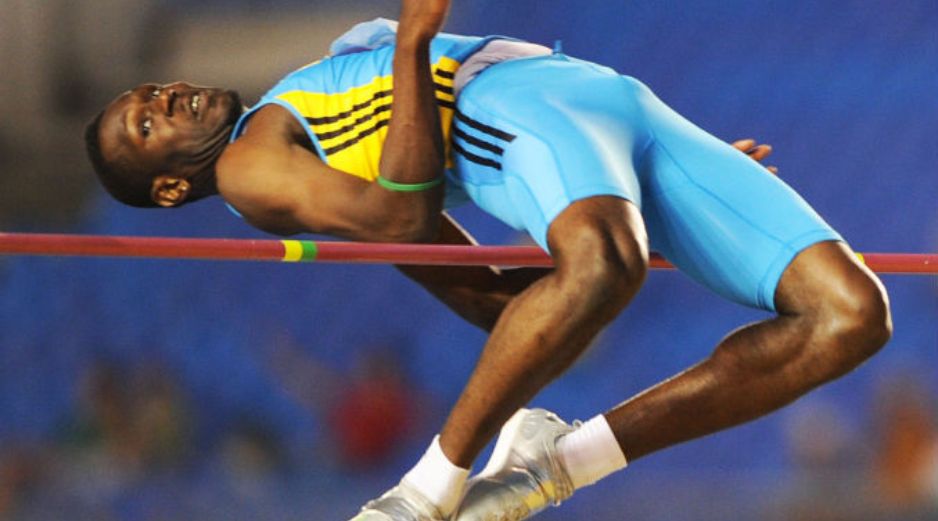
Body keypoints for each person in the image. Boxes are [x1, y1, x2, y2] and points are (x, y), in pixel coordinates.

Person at [82, 1, 892, 519]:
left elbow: (496, 302)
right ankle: (424, 491)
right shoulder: (248, 162)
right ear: (166, 189)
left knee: (850, 316)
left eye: (149, 92)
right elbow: (404, 216)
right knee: (608, 258)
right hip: (536, 115)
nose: (162, 99)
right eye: (145, 126)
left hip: (621, 114)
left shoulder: (302, 124)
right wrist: (410, 42)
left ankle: (561, 460)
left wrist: (662, 199)